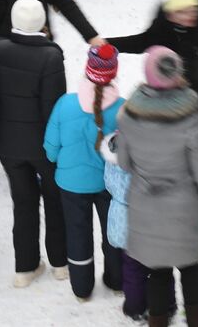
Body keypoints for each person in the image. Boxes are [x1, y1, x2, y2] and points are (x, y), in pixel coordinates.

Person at [117, 47, 198, 327]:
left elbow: (125, 163)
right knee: (189, 269)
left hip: (146, 207)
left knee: (159, 273)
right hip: (185, 208)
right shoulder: (190, 112)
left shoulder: (128, 114)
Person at [0, 0, 68, 288]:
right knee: (54, 201)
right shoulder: (50, 57)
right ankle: (60, 263)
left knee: (23, 204)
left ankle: (25, 267)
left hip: (10, 142)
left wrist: (0, 120)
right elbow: (54, 109)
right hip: (43, 146)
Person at [43, 43, 124, 300]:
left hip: (70, 183)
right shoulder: (123, 108)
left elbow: (51, 147)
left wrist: (58, 160)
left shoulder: (65, 104)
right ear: (113, 73)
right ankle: (115, 279)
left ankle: (81, 287)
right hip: (108, 185)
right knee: (113, 231)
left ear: (87, 70)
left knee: (77, 233)